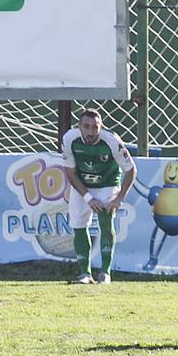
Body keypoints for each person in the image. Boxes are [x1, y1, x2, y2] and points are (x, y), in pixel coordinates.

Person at [62, 108, 137, 284]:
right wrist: (88, 197)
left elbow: (131, 169)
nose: (90, 132)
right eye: (86, 127)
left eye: (95, 127)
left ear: (101, 127)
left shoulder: (111, 140)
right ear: (79, 126)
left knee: (105, 219)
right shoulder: (69, 139)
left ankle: (105, 273)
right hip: (83, 185)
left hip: (107, 183)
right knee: (78, 224)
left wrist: (119, 199)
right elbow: (70, 173)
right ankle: (84, 274)